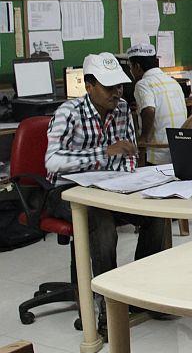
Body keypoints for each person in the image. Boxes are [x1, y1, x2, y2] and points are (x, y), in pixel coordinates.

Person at [44, 52, 165, 335]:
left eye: (119, 86)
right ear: (89, 86)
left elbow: (128, 153)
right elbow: (52, 162)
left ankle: (140, 293)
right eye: (109, 87)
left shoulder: (122, 108)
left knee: (155, 215)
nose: (117, 93)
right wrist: (103, 152)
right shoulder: (67, 113)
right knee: (101, 222)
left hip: (111, 185)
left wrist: (129, 176)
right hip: (65, 191)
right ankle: (107, 307)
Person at [127, 43, 187, 165]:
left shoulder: (143, 84)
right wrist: (140, 108)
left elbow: (149, 109)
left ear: (137, 67)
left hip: (158, 155)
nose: (130, 71)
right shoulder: (172, 82)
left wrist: (143, 139)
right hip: (179, 151)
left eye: (130, 67)